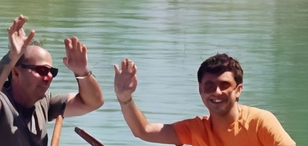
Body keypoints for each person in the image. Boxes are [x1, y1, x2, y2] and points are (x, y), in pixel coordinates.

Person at [0, 15, 105, 146]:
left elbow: (93, 102)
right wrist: (12, 55)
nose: (49, 77)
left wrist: (82, 72)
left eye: (52, 72)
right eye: (41, 71)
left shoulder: (44, 102)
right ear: (16, 72)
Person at [113, 53, 295, 146]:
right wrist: (125, 98)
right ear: (200, 89)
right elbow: (143, 131)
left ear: (238, 90)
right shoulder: (197, 129)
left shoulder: (259, 122)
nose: (216, 92)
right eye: (209, 85)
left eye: (224, 85)